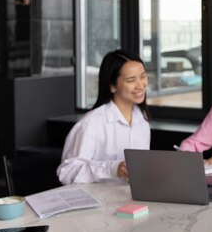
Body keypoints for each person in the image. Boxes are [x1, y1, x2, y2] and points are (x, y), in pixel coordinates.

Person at [57, 49, 150, 185]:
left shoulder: (142, 120)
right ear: (112, 86)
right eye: (131, 80)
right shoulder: (91, 124)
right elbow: (67, 172)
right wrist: (113, 169)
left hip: (132, 200)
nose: (140, 85)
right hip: (99, 202)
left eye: (143, 76)